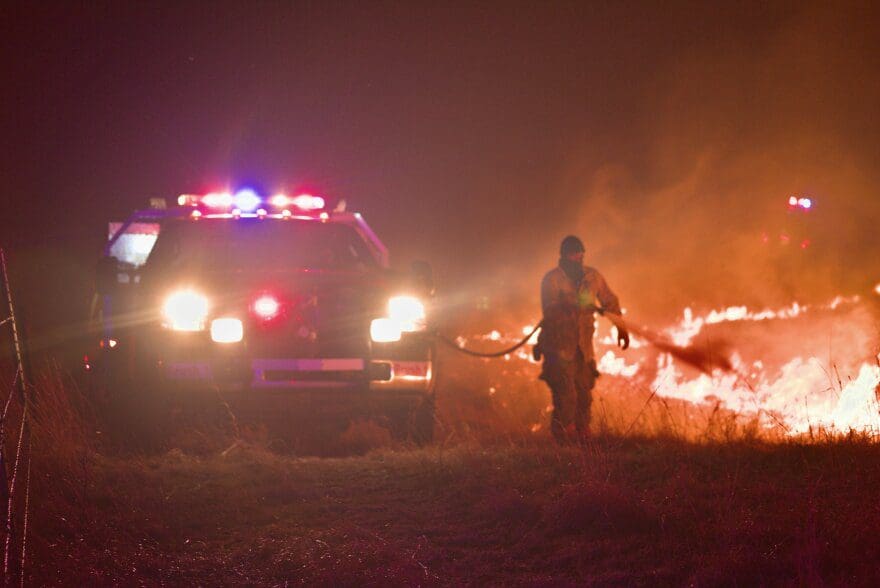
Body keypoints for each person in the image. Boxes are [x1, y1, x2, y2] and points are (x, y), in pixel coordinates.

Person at [534, 235, 629, 443]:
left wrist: (622, 329)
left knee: (584, 395)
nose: (578, 257)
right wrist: (572, 305)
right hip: (559, 348)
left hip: (584, 348)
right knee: (566, 396)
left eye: (580, 253)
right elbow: (549, 310)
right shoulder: (552, 280)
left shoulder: (592, 277)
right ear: (564, 255)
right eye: (573, 253)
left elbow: (610, 302)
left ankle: (583, 440)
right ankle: (563, 443)